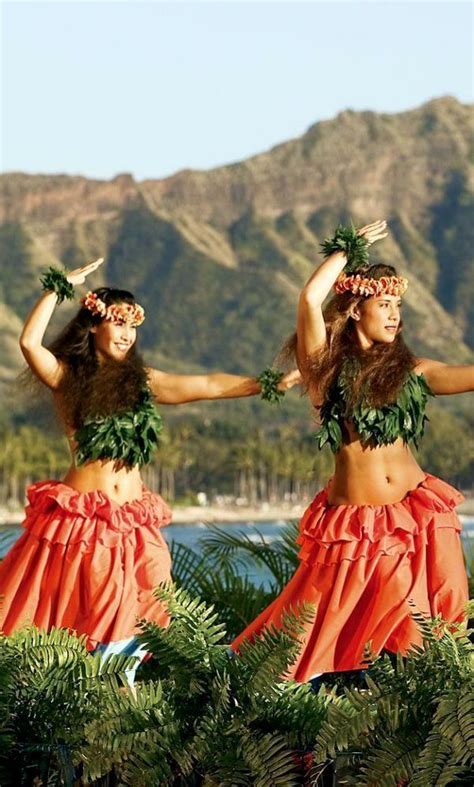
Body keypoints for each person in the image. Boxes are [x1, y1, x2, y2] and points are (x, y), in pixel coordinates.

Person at [0, 258, 299, 675]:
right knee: (100, 610)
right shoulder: (68, 378)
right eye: (118, 323)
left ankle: (122, 683)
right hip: (89, 519)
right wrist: (57, 288)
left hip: (136, 523)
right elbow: (31, 344)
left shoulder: (142, 381)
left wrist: (264, 383)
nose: (127, 333)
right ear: (92, 326)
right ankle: (96, 689)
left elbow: (206, 385)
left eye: (132, 325)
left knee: (153, 601)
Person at [231, 219, 471, 682]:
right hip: (358, 522)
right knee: (343, 626)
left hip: (417, 514)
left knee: (430, 626)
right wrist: (348, 250)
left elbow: (468, 374)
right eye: (385, 304)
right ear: (357, 309)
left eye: (399, 305)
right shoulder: (323, 369)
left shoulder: (412, 371)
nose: (395, 314)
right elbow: (307, 300)